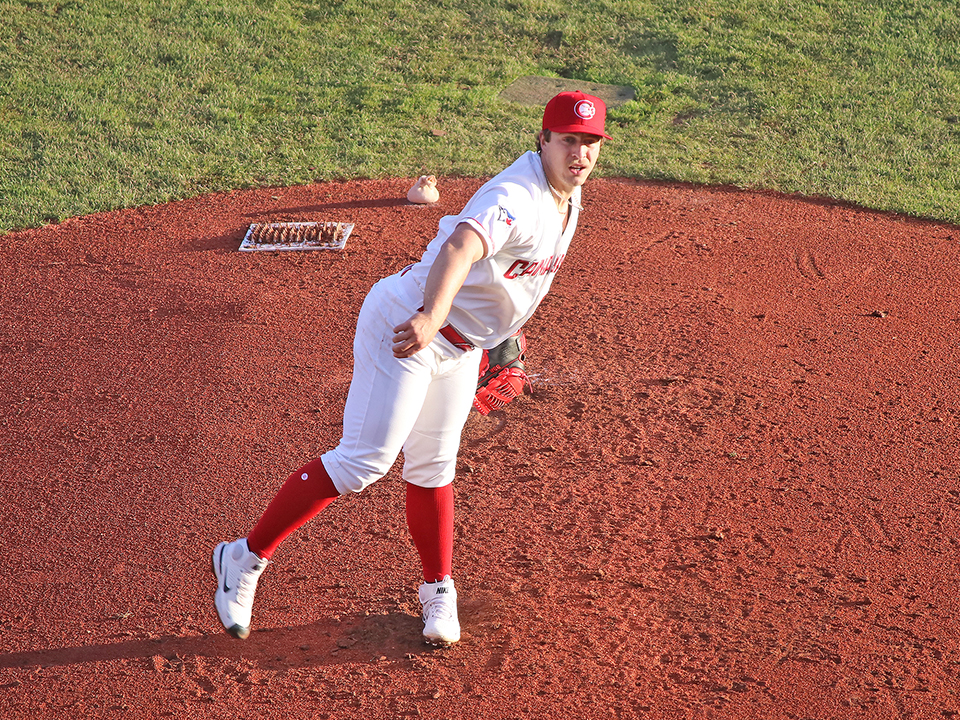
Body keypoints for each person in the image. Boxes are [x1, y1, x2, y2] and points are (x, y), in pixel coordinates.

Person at [212, 90, 611, 646]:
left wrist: (498, 332)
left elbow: (512, 276)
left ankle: (436, 589)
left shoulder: (568, 196)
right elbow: (460, 249)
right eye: (569, 140)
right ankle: (243, 558)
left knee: (433, 466)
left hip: (460, 346)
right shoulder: (515, 195)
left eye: (590, 142)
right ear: (543, 140)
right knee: (364, 462)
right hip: (408, 329)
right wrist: (429, 316)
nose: (581, 153)